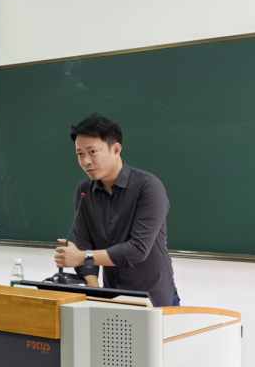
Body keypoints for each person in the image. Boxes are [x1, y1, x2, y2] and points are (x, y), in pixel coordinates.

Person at [54, 113, 180, 307]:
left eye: (92, 151)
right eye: (80, 154)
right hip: (111, 298)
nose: (86, 161)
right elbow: (85, 244)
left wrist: (82, 257)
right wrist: (95, 293)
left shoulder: (148, 186)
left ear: (116, 149)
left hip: (155, 300)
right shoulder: (84, 191)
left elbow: (137, 249)